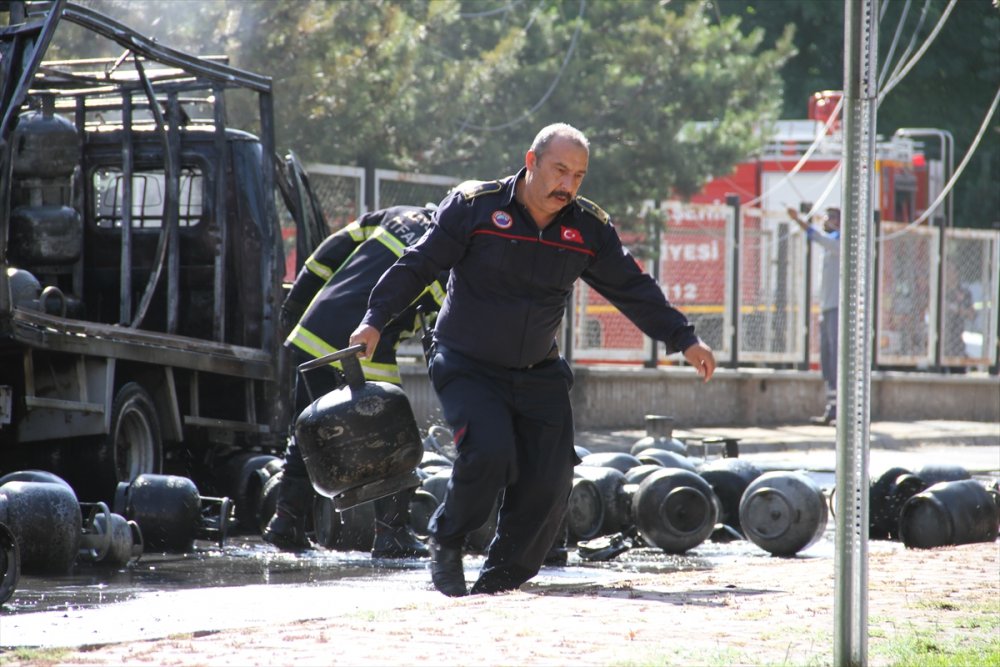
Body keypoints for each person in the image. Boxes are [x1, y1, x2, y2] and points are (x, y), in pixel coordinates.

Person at [349, 123, 716, 597]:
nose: (568, 185)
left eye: (578, 176)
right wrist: (374, 319)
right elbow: (417, 265)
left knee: (550, 479)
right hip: (466, 362)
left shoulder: (587, 228)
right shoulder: (474, 207)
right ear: (531, 161)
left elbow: (632, 288)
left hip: (538, 370)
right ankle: (447, 537)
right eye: (560, 170)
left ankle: (500, 579)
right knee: (489, 452)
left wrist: (684, 338)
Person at [263, 204, 446, 558]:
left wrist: (296, 306)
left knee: (309, 433)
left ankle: (285, 522)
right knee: (390, 439)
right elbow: (440, 324)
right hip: (364, 345)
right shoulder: (450, 254)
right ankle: (391, 533)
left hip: (313, 332)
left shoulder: (398, 215)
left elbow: (326, 253)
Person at [787, 204, 841, 426]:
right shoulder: (832, 243)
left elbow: (816, 236)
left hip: (837, 308)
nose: (826, 221)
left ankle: (840, 409)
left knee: (837, 359)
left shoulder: (841, 241)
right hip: (826, 308)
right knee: (827, 360)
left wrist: (799, 220)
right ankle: (832, 408)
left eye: (830, 218)